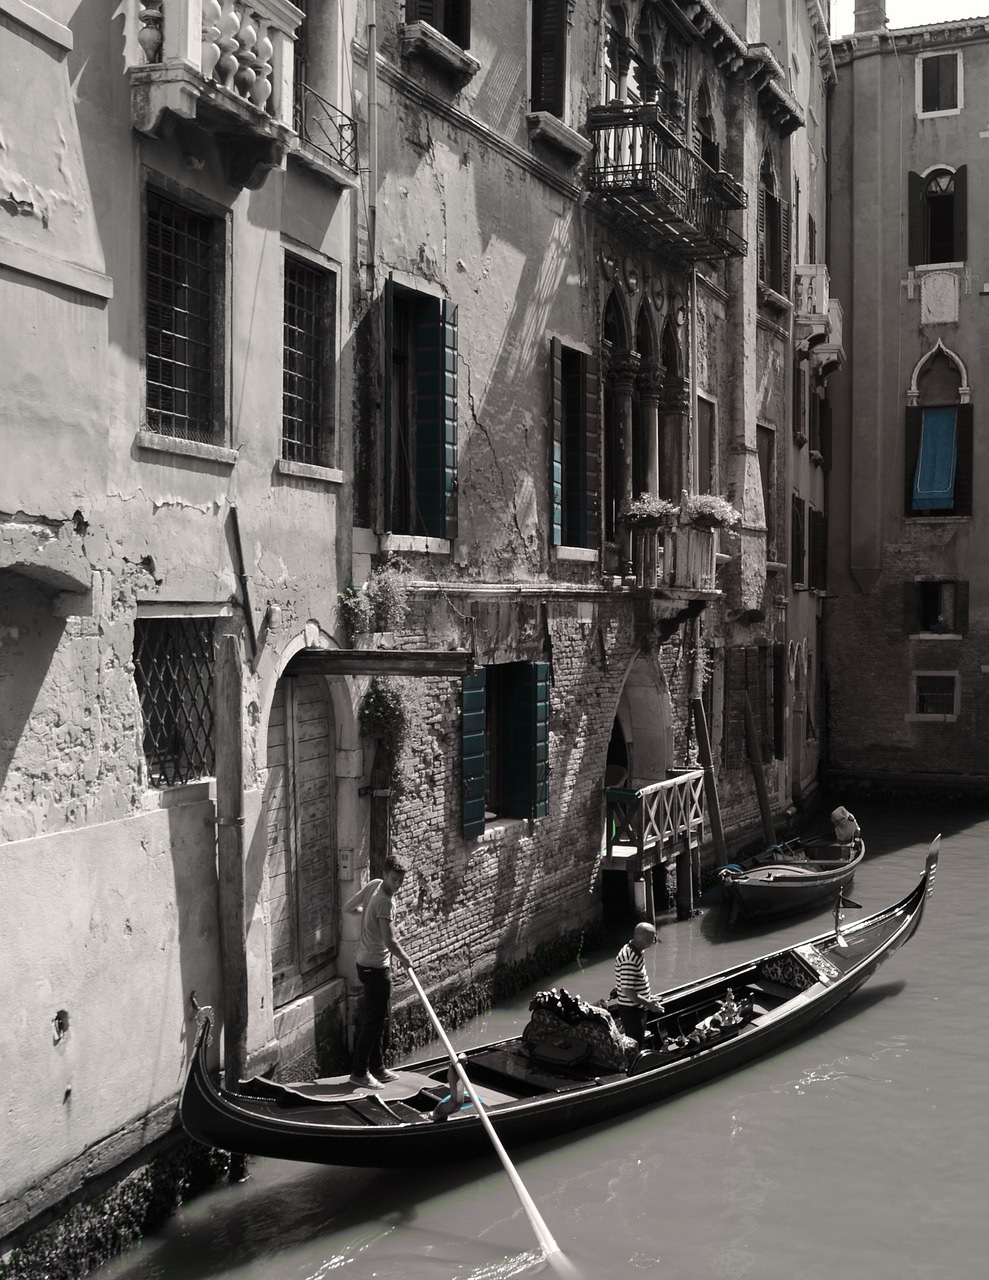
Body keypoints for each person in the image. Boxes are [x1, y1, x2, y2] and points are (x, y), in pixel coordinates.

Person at [344, 855, 412, 1089]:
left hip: (363, 964)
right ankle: (359, 1072)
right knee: (374, 1022)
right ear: (385, 875)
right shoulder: (385, 902)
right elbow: (390, 941)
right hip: (376, 968)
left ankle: (378, 1068)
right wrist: (405, 959)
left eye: (401, 880)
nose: (397, 885)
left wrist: (367, 917)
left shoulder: (373, 885)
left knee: (377, 1018)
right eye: (394, 879)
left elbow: (349, 908)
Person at [613, 922, 665, 1046]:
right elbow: (627, 990)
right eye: (653, 939)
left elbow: (631, 982)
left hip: (636, 1008)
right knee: (636, 1045)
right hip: (632, 1011)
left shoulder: (636, 951)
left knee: (638, 1040)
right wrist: (649, 1004)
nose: (654, 942)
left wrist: (648, 997)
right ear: (646, 939)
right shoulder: (629, 957)